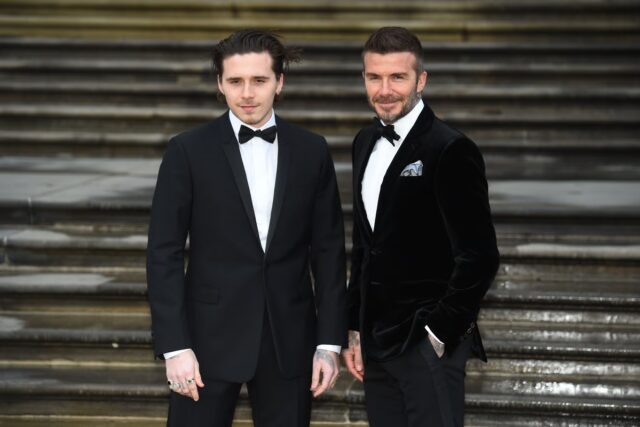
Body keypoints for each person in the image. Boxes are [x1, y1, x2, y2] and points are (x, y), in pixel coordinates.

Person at [146, 29, 347, 427]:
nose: (248, 93)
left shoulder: (311, 150)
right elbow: (163, 252)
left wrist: (328, 343)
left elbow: (328, 252)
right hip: (205, 341)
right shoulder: (187, 150)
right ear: (220, 84)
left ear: (280, 82)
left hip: (289, 341)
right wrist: (175, 346)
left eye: (259, 80)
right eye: (236, 81)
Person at [342, 27, 500, 427]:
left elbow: (480, 257)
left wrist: (438, 332)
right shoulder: (364, 141)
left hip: (425, 342)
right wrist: (354, 326)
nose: (385, 90)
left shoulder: (451, 149)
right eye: (374, 77)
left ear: (421, 80)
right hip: (376, 342)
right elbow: (365, 245)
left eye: (398, 77)